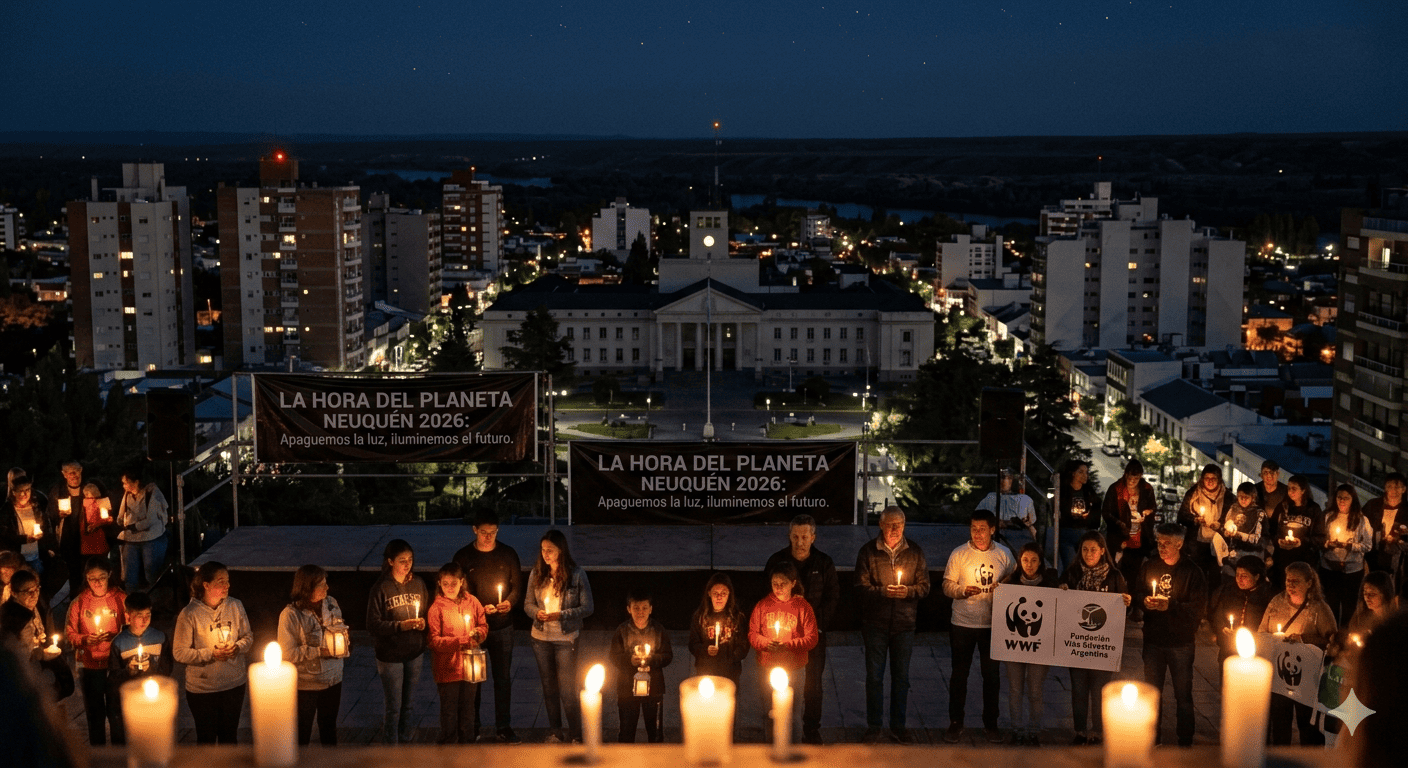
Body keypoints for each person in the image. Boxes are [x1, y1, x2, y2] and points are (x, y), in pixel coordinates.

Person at [856, 506, 931, 744]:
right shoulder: (868, 552)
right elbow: (860, 587)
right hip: (875, 625)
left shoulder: (915, 552)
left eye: (899, 524)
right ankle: (874, 726)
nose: (894, 529)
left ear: (905, 525)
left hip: (904, 625)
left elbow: (925, 587)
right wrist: (883, 592)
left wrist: (906, 592)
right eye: (890, 524)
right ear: (880, 524)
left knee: (901, 678)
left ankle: (898, 726)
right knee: (874, 678)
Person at [763, 514, 839, 745]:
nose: (800, 541)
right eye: (795, 536)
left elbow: (833, 598)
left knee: (813, 683)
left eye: (805, 536)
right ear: (789, 536)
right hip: (782, 637)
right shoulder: (776, 561)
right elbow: (765, 596)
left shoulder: (824, 563)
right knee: (780, 681)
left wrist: (815, 626)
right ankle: (780, 723)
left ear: (813, 537)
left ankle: (811, 728)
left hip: (812, 637)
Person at [941, 509, 1013, 744]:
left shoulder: (1003, 554)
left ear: (993, 530)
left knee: (991, 676)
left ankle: (991, 723)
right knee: (959, 675)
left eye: (982, 529)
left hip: (993, 625)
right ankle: (955, 722)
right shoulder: (959, 554)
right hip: (963, 623)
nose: (977, 533)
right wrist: (961, 591)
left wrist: (1003, 586)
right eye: (973, 528)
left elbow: (1014, 578)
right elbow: (947, 585)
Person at [451, 509, 523, 743]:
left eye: (493, 532)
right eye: (483, 533)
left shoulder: (508, 554)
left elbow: (516, 587)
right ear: (474, 530)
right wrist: (478, 610)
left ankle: (503, 725)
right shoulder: (463, 557)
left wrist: (508, 604)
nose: (488, 537)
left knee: (502, 678)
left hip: (502, 626)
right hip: (475, 629)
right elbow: (459, 592)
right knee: (475, 678)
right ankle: (474, 726)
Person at [1139, 523, 1206, 747]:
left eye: (1167, 543)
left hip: (1180, 643)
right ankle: (1152, 737)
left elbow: (1197, 610)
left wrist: (1171, 606)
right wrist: (1144, 602)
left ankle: (1185, 740)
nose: (1162, 547)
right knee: (1152, 693)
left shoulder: (1192, 572)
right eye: (1159, 542)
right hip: (1153, 641)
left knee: (1183, 695)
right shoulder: (1150, 566)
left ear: (1179, 544)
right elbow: (1138, 591)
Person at [1060, 531, 1129, 746]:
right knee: (1078, 689)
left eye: (1093, 549)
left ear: (1102, 551)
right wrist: (1060, 591)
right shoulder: (1071, 574)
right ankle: (1080, 731)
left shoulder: (1115, 576)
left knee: (1100, 690)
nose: (1089, 553)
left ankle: (1098, 731)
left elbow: (1124, 606)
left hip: (1102, 646)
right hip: (1078, 645)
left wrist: (1127, 600)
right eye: (1085, 549)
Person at [525, 529, 593, 744]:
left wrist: (561, 615)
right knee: (548, 687)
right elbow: (527, 604)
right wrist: (537, 613)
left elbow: (588, 607)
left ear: (561, 550)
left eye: (550, 550)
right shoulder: (537, 573)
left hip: (565, 638)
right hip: (540, 638)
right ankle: (555, 731)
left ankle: (575, 734)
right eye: (543, 550)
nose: (545, 554)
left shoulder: (576, 574)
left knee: (567, 688)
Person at [1257, 561, 1336, 746]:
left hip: (1307, 679)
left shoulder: (1319, 609)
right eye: (1288, 581)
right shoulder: (1277, 602)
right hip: (1279, 674)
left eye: (1296, 581)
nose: (1290, 586)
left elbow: (1332, 641)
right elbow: (1262, 631)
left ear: (1309, 583)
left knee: (1307, 724)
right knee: (1280, 722)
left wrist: (1304, 638)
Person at [173, 561, 251, 744]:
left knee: (229, 738)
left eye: (228, 581)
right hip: (203, 690)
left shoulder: (235, 606)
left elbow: (248, 637)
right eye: (221, 581)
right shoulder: (189, 614)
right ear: (205, 585)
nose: (227, 586)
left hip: (234, 684)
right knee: (206, 739)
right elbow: (179, 652)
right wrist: (210, 654)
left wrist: (237, 647)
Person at [748, 561, 818, 748]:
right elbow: (752, 634)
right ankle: (770, 750)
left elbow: (812, 638)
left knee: (794, 714)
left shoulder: (802, 607)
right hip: (767, 666)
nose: (778, 588)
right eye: (774, 584)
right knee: (769, 712)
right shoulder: (763, 606)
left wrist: (789, 644)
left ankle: (793, 750)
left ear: (793, 583)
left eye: (783, 583)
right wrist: (765, 643)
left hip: (794, 668)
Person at [366, 539, 429, 745]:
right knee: (393, 706)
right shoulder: (381, 588)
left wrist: (422, 624)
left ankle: (405, 741)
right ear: (390, 561)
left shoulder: (418, 584)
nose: (407, 564)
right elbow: (373, 625)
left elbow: (426, 612)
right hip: (390, 656)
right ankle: (391, 748)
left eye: (410, 559)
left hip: (414, 653)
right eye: (402, 560)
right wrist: (401, 626)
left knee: (408, 704)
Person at [277, 564, 347, 746]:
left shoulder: (331, 604)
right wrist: (318, 651)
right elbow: (287, 653)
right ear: (307, 588)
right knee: (302, 731)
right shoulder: (290, 615)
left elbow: (340, 630)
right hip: (306, 684)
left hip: (333, 679)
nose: (327, 588)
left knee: (329, 727)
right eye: (321, 585)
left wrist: (344, 643)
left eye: (326, 584)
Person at [1001, 542, 1059, 745]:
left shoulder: (1051, 584)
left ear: (1040, 562)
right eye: (1025, 559)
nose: (1029, 564)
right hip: (1014, 646)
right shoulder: (1009, 583)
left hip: (1039, 648)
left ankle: (1034, 731)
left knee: (1035, 691)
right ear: (1019, 561)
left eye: (1034, 560)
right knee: (1015, 690)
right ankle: (1016, 730)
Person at [65, 557, 125, 745]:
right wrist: (84, 639)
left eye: (102, 577)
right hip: (89, 664)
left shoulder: (120, 599)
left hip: (114, 664)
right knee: (94, 712)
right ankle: (97, 753)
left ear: (110, 575)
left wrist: (116, 637)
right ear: (86, 579)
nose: (97, 582)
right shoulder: (79, 603)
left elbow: (131, 628)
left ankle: (119, 754)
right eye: (92, 578)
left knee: (117, 712)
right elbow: (69, 632)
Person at [427, 562, 488, 745]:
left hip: (470, 667)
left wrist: (479, 634)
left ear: (462, 582)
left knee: (468, 710)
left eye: (454, 583)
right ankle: (448, 750)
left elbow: (483, 625)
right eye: (445, 584)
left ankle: (467, 747)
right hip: (448, 668)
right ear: (439, 583)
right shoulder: (436, 608)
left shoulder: (473, 602)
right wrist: (460, 640)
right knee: (449, 711)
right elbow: (434, 641)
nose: (450, 588)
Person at [609, 590, 673, 744]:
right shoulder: (622, 631)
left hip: (654, 688)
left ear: (651, 609)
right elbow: (614, 656)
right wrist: (629, 660)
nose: (640, 612)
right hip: (627, 688)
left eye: (644, 608)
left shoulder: (658, 630)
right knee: (626, 730)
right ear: (628, 609)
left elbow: (668, 655)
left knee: (655, 731)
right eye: (636, 608)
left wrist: (652, 659)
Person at [1104, 459, 1158, 618]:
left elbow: (1153, 507)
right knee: (1116, 573)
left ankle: (1133, 607)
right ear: (1126, 475)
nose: (1133, 482)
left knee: (1134, 575)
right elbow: (1106, 512)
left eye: (1137, 479)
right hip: (1119, 539)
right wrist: (1119, 523)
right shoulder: (1116, 489)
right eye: (1131, 478)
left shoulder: (1147, 489)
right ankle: (1114, 606)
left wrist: (1147, 513)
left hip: (1139, 539)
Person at [1320, 484, 1374, 625]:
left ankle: (1346, 637)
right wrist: (1327, 544)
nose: (1342, 501)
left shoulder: (1362, 520)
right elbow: (1319, 539)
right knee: (1331, 606)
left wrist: (1351, 546)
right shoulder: (1328, 517)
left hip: (1352, 572)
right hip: (1330, 569)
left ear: (1353, 500)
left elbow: (1368, 545)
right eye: (1339, 497)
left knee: (1349, 608)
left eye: (1346, 498)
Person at [1206, 555, 1274, 668]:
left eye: (1244, 576)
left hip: (1256, 652)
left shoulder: (1267, 596)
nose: (1239, 579)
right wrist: (1222, 628)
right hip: (1229, 650)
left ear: (1257, 576)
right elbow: (1216, 614)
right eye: (1237, 575)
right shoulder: (1228, 591)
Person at [1177, 464, 1232, 591]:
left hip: (1217, 545)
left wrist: (1220, 526)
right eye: (1207, 478)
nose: (1210, 481)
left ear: (1219, 479)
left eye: (1213, 478)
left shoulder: (1228, 496)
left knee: (1215, 578)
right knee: (1196, 576)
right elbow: (1181, 516)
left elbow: (1232, 520)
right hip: (1196, 545)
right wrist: (1195, 520)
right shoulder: (1193, 493)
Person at [688, 573, 750, 682]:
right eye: (715, 593)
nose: (719, 597)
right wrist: (705, 650)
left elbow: (744, 645)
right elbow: (693, 644)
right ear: (709, 593)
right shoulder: (700, 617)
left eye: (723, 593)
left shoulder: (737, 617)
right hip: (705, 671)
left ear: (729, 594)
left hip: (730, 673)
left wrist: (730, 657)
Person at [1267, 475, 1324, 592]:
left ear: (1303, 490)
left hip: (1305, 561)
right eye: (1288, 488)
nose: (1290, 491)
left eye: (1294, 488)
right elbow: (1271, 531)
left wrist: (1301, 542)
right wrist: (1278, 541)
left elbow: (1321, 538)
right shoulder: (1282, 507)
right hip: (1282, 562)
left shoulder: (1314, 509)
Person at [115, 467, 167, 594]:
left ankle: (154, 598)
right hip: (131, 537)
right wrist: (120, 522)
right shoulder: (127, 495)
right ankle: (130, 599)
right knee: (129, 571)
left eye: (126, 482)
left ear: (136, 482)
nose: (124, 485)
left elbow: (150, 520)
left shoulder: (152, 493)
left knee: (151, 571)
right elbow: (121, 516)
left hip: (151, 536)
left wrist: (134, 526)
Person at [45, 461, 93, 599]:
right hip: (68, 539)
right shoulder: (58, 491)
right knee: (73, 574)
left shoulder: (89, 488)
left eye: (76, 470)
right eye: (69, 471)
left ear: (81, 471)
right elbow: (49, 515)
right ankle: (75, 601)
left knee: (88, 570)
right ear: (64, 474)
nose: (73, 474)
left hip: (87, 537)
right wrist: (58, 514)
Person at [108, 590, 171, 687]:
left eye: (148, 615)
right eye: (139, 616)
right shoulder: (118, 643)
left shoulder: (160, 638)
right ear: (128, 615)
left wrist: (150, 670)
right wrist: (129, 671)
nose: (145, 620)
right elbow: (114, 676)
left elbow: (167, 669)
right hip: (131, 694)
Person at [2, 472, 53, 581]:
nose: (25, 494)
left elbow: (46, 528)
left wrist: (47, 545)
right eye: (21, 491)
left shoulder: (36, 508)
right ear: (14, 492)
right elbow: (5, 536)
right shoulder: (7, 511)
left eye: (27, 490)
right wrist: (25, 539)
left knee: (37, 578)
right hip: (16, 554)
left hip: (35, 552)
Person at [1054, 459, 1103, 571]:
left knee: (1085, 567)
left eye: (1086, 472)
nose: (1085, 475)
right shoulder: (1064, 491)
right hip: (1067, 533)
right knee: (1071, 566)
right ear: (1073, 473)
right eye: (1081, 472)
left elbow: (1096, 511)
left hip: (1084, 534)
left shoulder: (1089, 492)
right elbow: (1061, 512)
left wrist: (1089, 520)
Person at [1363, 472, 1406, 595]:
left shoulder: (1406, 512)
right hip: (1372, 561)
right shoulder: (1373, 506)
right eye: (1390, 486)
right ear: (1385, 488)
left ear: (1404, 489)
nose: (1393, 491)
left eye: (1397, 487)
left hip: (1397, 566)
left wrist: (1398, 542)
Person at [977, 469, 1037, 552]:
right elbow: (977, 516)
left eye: (1007, 478)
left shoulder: (1025, 499)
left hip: (1019, 534)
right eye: (1001, 478)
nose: (1003, 481)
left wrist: (1025, 523)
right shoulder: (990, 498)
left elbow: (1032, 521)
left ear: (1012, 480)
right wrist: (994, 522)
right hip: (997, 534)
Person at [1219, 482, 1267, 577]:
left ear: (1253, 498)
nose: (1243, 500)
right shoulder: (1233, 509)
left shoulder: (1259, 514)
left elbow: (1257, 539)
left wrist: (1238, 535)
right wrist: (1226, 532)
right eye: (1241, 496)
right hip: (1234, 554)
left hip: (1252, 554)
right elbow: (1226, 526)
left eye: (1247, 497)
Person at [79, 483, 115, 563]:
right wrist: (107, 520)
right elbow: (105, 518)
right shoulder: (101, 502)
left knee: (88, 562)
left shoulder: (83, 503)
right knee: (101, 561)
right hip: (98, 536)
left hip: (86, 537)